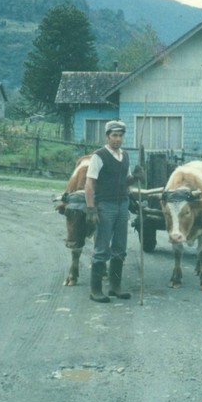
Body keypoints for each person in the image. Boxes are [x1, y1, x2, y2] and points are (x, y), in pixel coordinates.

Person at [84, 119, 143, 303]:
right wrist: (91, 208)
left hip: (122, 204)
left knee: (120, 247)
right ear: (107, 136)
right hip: (106, 206)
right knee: (102, 248)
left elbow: (125, 181)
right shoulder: (99, 156)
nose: (117, 139)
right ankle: (95, 290)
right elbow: (89, 184)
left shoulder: (124, 155)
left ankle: (115, 287)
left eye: (120, 136)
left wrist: (135, 177)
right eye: (114, 135)